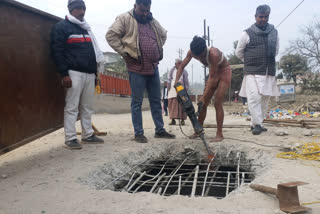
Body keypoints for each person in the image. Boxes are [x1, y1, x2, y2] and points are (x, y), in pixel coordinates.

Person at [106, 0, 175, 143]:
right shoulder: (124, 18)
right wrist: (125, 52)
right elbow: (111, 35)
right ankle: (138, 133)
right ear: (135, 6)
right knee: (136, 102)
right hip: (136, 67)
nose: (144, 13)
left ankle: (160, 130)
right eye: (142, 10)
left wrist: (157, 47)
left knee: (156, 100)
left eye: (147, 10)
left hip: (153, 67)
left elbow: (163, 35)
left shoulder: (152, 21)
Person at [51, 0, 105, 149]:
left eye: (83, 8)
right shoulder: (61, 27)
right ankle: (70, 138)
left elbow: (93, 54)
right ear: (70, 9)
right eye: (78, 9)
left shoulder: (86, 29)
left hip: (89, 74)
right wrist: (64, 74)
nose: (82, 11)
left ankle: (87, 135)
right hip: (73, 73)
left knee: (87, 107)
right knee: (72, 107)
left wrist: (95, 75)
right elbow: (57, 52)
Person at [175, 36, 232, 142]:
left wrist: (203, 97)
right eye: (198, 57)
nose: (200, 59)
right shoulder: (192, 52)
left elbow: (213, 78)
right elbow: (181, 66)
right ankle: (198, 130)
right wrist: (176, 82)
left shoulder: (213, 54)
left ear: (205, 50)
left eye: (201, 56)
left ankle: (219, 134)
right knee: (203, 104)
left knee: (217, 101)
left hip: (224, 71)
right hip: (212, 73)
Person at [235, 4, 280, 135]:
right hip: (252, 72)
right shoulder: (247, 33)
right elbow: (239, 52)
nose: (263, 19)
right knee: (254, 97)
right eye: (261, 17)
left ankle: (256, 123)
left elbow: (276, 50)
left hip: (268, 70)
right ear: (255, 17)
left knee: (265, 98)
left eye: (266, 17)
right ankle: (258, 124)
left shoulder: (273, 32)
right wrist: (250, 61)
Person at [167, 59, 189, 126]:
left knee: (182, 103)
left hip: (180, 87)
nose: (179, 65)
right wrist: (168, 88)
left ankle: (182, 120)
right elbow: (169, 79)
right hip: (172, 88)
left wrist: (185, 89)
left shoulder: (184, 71)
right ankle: (172, 120)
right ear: (175, 64)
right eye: (178, 63)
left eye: (180, 63)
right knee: (171, 103)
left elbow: (186, 81)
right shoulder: (172, 70)